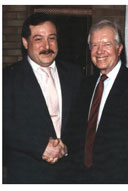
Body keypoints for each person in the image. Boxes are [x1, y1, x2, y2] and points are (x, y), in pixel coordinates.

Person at [3, 12, 82, 183]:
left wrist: (66, 149)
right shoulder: (8, 78)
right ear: (25, 43)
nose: (47, 45)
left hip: (70, 176)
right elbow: (5, 125)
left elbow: (82, 122)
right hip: (26, 175)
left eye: (52, 38)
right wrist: (39, 147)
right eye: (38, 39)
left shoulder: (75, 75)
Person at [71, 20, 128, 183]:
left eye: (106, 44)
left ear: (119, 49)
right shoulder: (85, 85)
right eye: (94, 45)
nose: (99, 51)